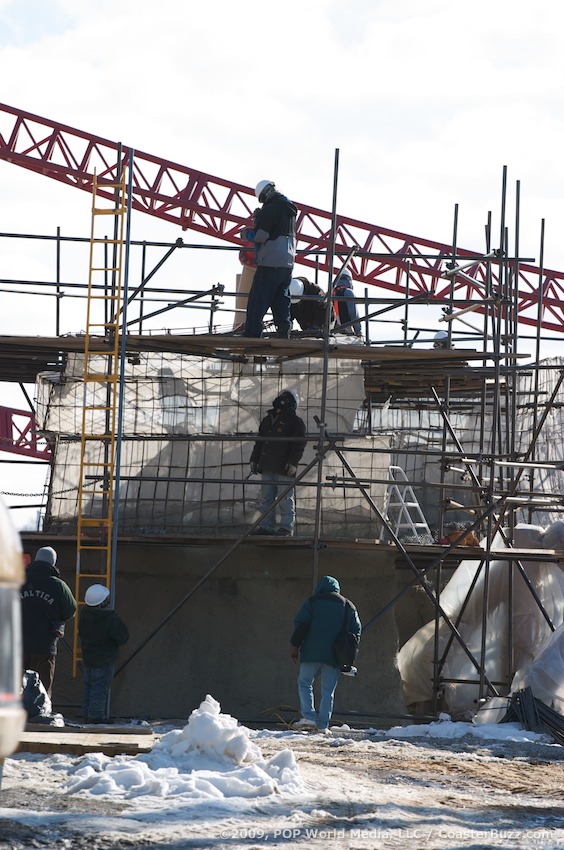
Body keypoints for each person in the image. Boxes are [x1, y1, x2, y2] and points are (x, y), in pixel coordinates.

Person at [290, 575, 362, 733]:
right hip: (334, 656)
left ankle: (308, 717)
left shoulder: (312, 602)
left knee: (305, 683)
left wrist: (295, 647)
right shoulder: (348, 605)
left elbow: (301, 625)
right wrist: (348, 651)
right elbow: (356, 631)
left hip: (311, 652)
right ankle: (323, 725)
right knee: (328, 691)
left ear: (321, 587)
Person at [242, 180, 298, 339]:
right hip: (287, 263)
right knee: (280, 297)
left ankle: (251, 335)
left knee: (257, 299)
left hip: (270, 261)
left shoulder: (270, 209)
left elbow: (261, 236)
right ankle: (283, 330)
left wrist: (246, 234)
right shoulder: (289, 210)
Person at [20, 546, 77, 698]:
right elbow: (70, 610)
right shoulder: (58, 585)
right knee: (42, 688)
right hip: (44, 646)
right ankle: (39, 718)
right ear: (53, 563)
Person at [249, 390, 306, 537]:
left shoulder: (295, 422)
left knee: (285, 498)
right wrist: (254, 460)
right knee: (267, 498)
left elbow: (298, 445)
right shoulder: (268, 420)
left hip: (284, 468)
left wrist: (293, 463)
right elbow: (259, 442)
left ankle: (286, 528)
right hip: (267, 465)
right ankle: (266, 526)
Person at [78, 583, 129, 724]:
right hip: (104, 660)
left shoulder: (84, 615)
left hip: (88, 658)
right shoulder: (110, 618)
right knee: (99, 689)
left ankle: (86, 715)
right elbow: (123, 637)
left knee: (88, 688)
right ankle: (95, 717)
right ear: (102, 603)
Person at [332, 268, 362, 336]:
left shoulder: (329, 294)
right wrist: (358, 331)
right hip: (346, 333)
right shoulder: (348, 293)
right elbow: (353, 314)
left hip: (331, 333)